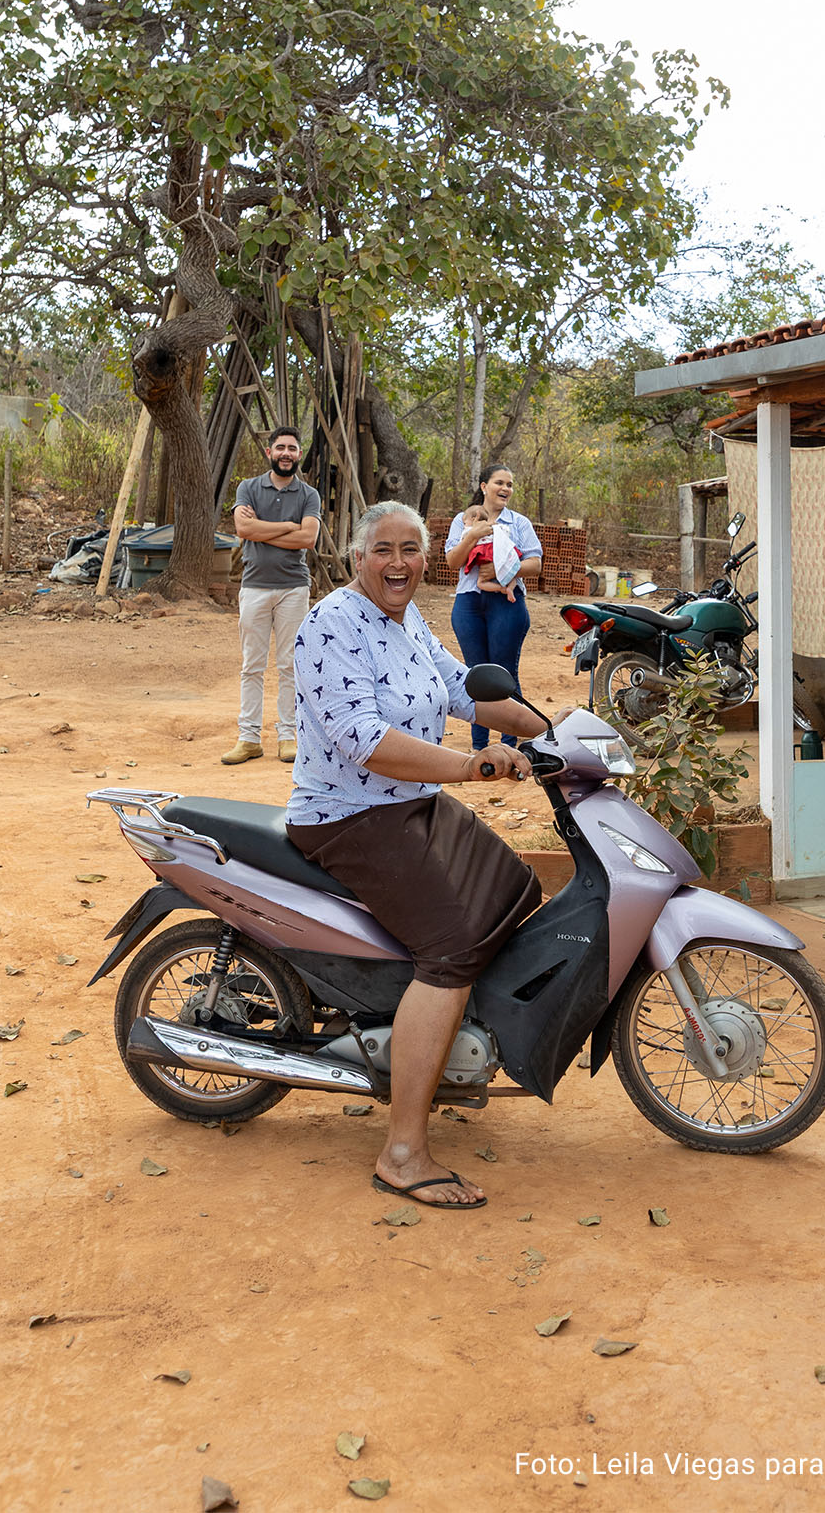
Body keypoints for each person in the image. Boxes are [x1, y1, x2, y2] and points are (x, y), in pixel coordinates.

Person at [288, 502, 545, 1208]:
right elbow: (365, 739)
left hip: (406, 806)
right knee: (454, 943)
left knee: (515, 887)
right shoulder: (331, 625)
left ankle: (450, 1045)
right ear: (356, 557)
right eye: (383, 550)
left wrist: (549, 726)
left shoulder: (406, 621)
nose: (398, 563)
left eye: (410, 549)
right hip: (350, 817)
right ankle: (402, 1151)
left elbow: (459, 687)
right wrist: (471, 770)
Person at [223, 427, 321, 766]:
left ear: (298, 454)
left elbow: (308, 538)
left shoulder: (309, 495)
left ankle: (288, 736)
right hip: (254, 587)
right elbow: (244, 530)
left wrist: (266, 529)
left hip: (294, 587)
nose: (286, 453)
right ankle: (248, 738)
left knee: (290, 666)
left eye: (292, 448)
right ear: (269, 452)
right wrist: (288, 527)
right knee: (252, 665)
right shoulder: (248, 488)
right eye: (280, 447)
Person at [445, 465, 543, 752]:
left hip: (506, 604)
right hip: (468, 604)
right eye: (500, 483)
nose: (506, 489)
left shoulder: (519, 523)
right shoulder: (463, 520)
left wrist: (505, 571)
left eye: (510, 485)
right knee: (476, 675)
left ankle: (511, 744)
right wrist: (472, 534)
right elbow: (453, 562)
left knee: (503, 675)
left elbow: (535, 564)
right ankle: (480, 746)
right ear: (484, 485)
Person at [458, 501, 520, 601]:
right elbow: (506, 531)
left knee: (480, 583)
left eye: (465, 523)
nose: (464, 525)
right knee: (512, 575)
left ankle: (501, 589)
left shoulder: (471, 530)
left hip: (485, 554)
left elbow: (463, 541)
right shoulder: (494, 527)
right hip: (498, 553)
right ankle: (510, 588)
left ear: (474, 519)